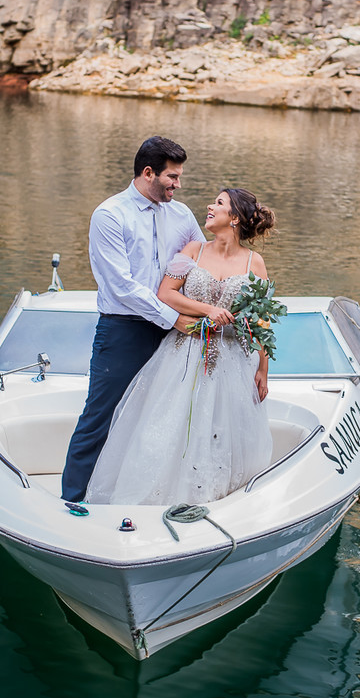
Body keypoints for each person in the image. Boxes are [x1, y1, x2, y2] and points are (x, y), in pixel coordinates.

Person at [85, 188, 276, 506]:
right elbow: (165, 294)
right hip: (183, 353)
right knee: (164, 428)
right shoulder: (193, 250)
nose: (209, 206)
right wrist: (208, 311)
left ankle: (216, 501)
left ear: (235, 218)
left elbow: (262, 319)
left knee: (221, 432)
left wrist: (263, 369)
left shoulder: (254, 263)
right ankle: (157, 499)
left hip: (232, 359)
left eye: (218, 203)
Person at [60, 136, 206, 503]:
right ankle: (72, 501)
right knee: (100, 416)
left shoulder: (182, 215)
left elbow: (204, 262)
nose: (177, 184)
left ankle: (146, 497)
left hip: (178, 330)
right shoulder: (109, 215)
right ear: (148, 173)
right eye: (172, 176)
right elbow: (121, 285)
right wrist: (173, 317)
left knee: (168, 414)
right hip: (124, 330)